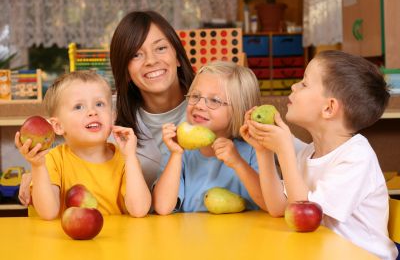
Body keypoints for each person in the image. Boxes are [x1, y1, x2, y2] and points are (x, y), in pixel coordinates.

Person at [18, 10, 195, 205]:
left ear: (177, 56)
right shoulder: (106, 109)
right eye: (136, 55)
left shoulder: (210, 105)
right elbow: (76, 143)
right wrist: (38, 171)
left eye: (160, 48)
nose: (151, 61)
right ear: (125, 70)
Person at [241, 50, 397, 260]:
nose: (294, 86)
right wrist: (264, 152)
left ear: (329, 108)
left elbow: (306, 219)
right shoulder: (309, 153)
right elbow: (278, 208)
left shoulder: (356, 157)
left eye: (304, 84)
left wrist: (285, 151)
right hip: (320, 251)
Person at [15, 71, 151, 219]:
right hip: (67, 241)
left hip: (115, 241)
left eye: (99, 104)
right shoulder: (52, 160)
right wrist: (38, 166)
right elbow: (48, 213)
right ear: (58, 126)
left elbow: (139, 210)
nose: (92, 112)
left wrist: (131, 157)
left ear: (112, 117)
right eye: (79, 107)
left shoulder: (125, 160)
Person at [152, 61, 267, 214]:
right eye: (195, 96)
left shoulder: (255, 150)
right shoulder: (178, 152)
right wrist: (176, 154)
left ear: (239, 109)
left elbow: (269, 203)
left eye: (214, 100)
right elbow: (162, 207)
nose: (199, 105)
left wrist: (238, 163)